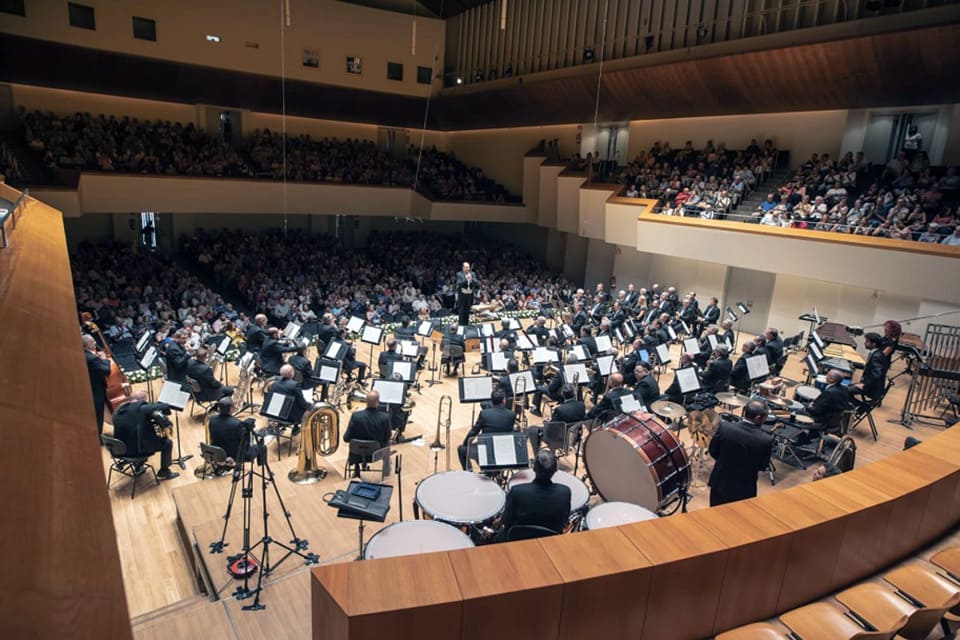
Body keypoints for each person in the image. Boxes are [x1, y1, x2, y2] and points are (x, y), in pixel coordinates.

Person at [707, 400, 773, 506]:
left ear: (744, 411)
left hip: (720, 483)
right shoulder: (765, 440)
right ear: (758, 418)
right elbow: (762, 466)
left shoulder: (725, 428)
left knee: (714, 517)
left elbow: (713, 451)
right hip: (743, 489)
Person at [496, 449, 571, 541]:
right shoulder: (565, 493)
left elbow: (506, 521)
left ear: (534, 468)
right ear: (556, 470)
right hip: (549, 542)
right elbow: (563, 522)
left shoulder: (517, 491)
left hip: (517, 541)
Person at [111, 391, 179, 480]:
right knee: (167, 443)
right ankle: (164, 471)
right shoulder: (142, 408)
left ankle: (139, 466)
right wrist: (167, 406)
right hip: (136, 451)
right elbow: (162, 406)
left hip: (119, 449)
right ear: (142, 400)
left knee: (138, 434)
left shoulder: (119, 409)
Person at [458, 390, 515, 469]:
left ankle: (469, 472)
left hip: (486, 451)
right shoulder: (511, 414)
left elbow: (474, 432)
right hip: (503, 450)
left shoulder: (484, 414)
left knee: (461, 449)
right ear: (503, 400)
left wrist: (466, 444)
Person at [343, 390, 392, 477]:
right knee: (388, 442)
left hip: (356, 454)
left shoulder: (356, 416)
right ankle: (386, 471)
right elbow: (387, 437)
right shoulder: (385, 418)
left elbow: (346, 438)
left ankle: (357, 468)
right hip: (376, 455)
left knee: (355, 443)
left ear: (365, 401)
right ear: (377, 402)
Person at [527, 384, 585, 452]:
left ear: (562, 394)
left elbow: (552, 428)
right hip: (574, 438)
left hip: (558, 439)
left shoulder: (559, 409)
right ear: (575, 393)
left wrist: (546, 422)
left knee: (532, 430)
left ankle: (538, 457)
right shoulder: (582, 405)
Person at [208, 396, 258, 462]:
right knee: (261, 447)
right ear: (231, 409)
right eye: (234, 406)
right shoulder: (237, 424)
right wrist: (249, 430)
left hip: (217, 451)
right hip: (234, 454)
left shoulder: (212, 419)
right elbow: (245, 442)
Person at [83, 334, 112, 435]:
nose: (95, 343)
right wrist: (104, 359)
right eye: (93, 342)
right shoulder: (91, 358)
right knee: (98, 414)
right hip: (96, 391)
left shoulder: (86, 355)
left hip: (90, 389)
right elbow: (106, 371)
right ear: (87, 345)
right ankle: (97, 437)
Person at [851, 333, 888, 409]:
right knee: (846, 388)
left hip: (872, 389)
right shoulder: (877, 353)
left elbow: (876, 375)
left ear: (873, 344)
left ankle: (861, 407)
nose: (865, 343)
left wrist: (864, 386)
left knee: (844, 390)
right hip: (871, 386)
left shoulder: (876, 356)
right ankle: (856, 407)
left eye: (867, 341)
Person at [455, 261, 478, 326]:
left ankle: (466, 324)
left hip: (469, 294)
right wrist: (466, 279)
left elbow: (476, 283)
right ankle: (461, 325)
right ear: (463, 268)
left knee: (468, 310)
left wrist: (471, 279)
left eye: (468, 267)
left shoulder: (472, 274)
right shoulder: (459, 274)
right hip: (462, 295)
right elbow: (458, 283)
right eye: (466, 267)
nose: (467, 268)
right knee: (462, 310)